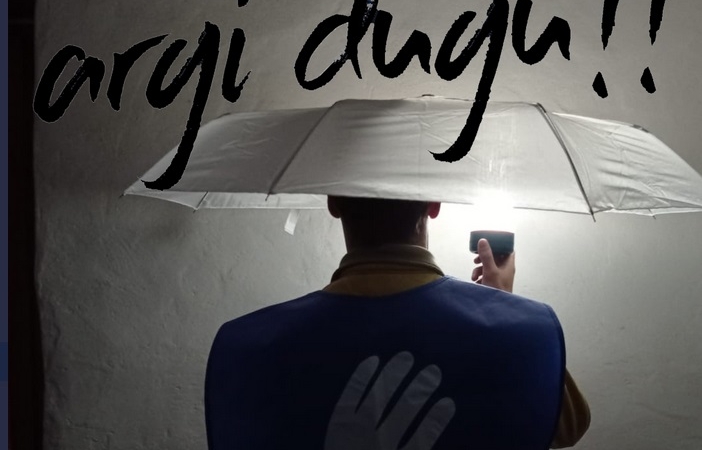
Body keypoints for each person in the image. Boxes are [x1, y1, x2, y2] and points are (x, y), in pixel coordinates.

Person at [205, 196, 591, 450]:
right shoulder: (521, 333)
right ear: (434, 205)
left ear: (333, 203)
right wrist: (503, 309)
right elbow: (564, 427)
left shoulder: (248, 344)